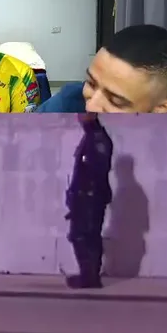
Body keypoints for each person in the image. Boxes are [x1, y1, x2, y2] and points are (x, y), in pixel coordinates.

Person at [39, 24, 167, 114]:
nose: (90, 107)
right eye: (91, 83)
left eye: (116, 101)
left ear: (161, 108)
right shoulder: (69, 101)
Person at [65, 115, 113, 289]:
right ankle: (88, 275)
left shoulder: (98, 138)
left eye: (82, 113)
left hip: (90, 197)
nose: (79, 117)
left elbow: (97, 170)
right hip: (83, 197)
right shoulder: (90, 137)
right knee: (81, 235)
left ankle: (90, 277)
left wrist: (86, 194)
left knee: (86, 235)